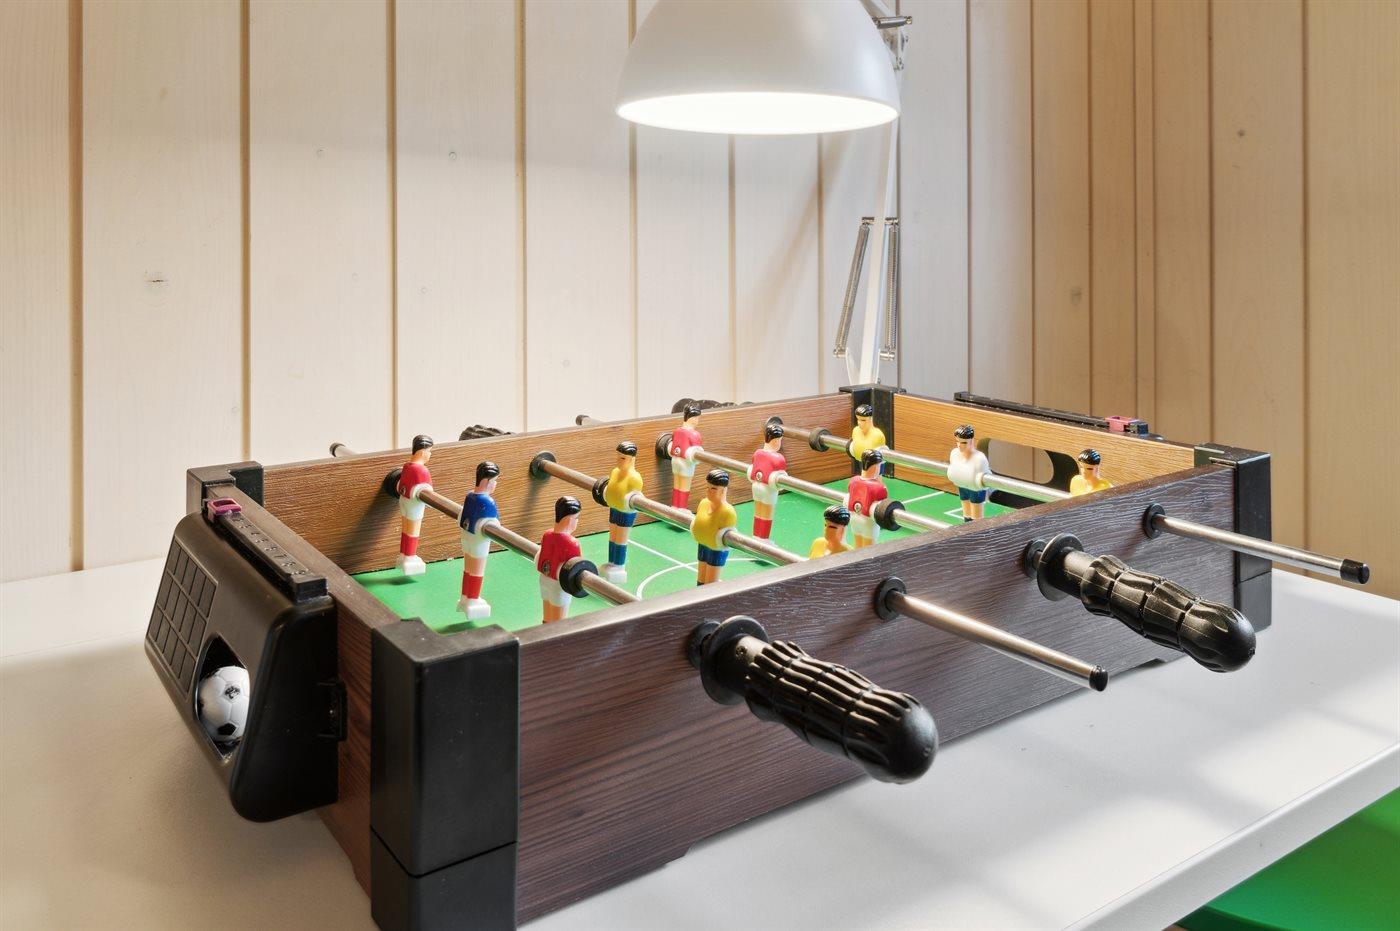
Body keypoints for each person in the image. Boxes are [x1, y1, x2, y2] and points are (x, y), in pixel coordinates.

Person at [456, 461, 500, 618]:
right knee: (477, 571)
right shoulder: (488, 502)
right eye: (494, 481)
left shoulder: (470, 496)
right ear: (487, 481)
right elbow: (495, 524)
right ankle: (473, 599)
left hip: (467, 537)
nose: (495, 484)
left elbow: (462, 516)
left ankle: (465, 597)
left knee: (468, 569)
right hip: (479, 542)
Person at [600, 442, 644, 581]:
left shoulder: (635, 478)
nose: (619, 461)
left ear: (631, 459)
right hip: (614, 507)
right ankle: (611, 562)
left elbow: (636, 496)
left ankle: (619, 565)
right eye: (618, 457)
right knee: (612, 536)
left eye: (623, 458)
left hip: (625, 512)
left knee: (620, 539)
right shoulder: (615, 472)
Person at [537, 496, 583, 623]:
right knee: (559, 623)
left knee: (547, 618)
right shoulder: (572, 543)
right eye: (576, 518)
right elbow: (577, 567)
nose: (577, 521)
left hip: (544, 580)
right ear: (569, 520)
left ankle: (544, 634)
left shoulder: (547, 535)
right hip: (559, 586)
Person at [395, 435, 434, 575]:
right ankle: (410, 556)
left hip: (404, 501)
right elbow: (429, 491)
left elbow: (402, 485)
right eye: (429, 451)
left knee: (406, 530)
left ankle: (404, 554)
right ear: (422, 452)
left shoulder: (407, 466)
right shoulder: (422, 470)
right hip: (414, 505)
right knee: (413, 531)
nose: (430, 455)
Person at [691, 470, 737, 585]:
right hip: (703, 543)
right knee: (701, 579)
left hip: (716, 549)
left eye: (713, 489)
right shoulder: (703, 503)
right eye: (707, 487)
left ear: (723, 490)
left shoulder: (728, 512)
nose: (708, 491)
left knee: (710, 582)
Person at [747, 422, 787, 539]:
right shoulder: (778, 458)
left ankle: (756, 536)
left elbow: (753, 470)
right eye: (780, 440)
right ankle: (763, 538)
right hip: (768, 490)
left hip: (756, 487)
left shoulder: (757, 453)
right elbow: (781, 478)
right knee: (766, 514)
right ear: (776, 440)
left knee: (758, 512)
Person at [845, 449, 890, 548]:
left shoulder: (853, 481)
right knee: (869, 549)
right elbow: (882, 508)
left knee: (858, 545)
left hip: (854, 519)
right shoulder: (880, 487)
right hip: (868, 521)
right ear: (876, 466)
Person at [947, 424, 991, 521]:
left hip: (976, 489)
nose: (959, 445)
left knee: (976, 515)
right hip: (962, 485)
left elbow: (986, 477)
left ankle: (977, 528)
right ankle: (966, 526)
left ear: (971, 441)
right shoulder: (954, 454)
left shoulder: (979, 458)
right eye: (957, 441)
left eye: (963, 442)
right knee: (966, 511)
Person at [668, 404, 704, 511]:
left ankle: (675, 506)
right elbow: (697, 452)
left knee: (677, 484)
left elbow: (672, 446)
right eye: (697, 418)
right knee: (684, 486)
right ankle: (682, 508)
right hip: (686, 463)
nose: (697, 421)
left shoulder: (677, 431)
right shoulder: (694, 434)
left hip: (675, 461)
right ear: (692, 418)